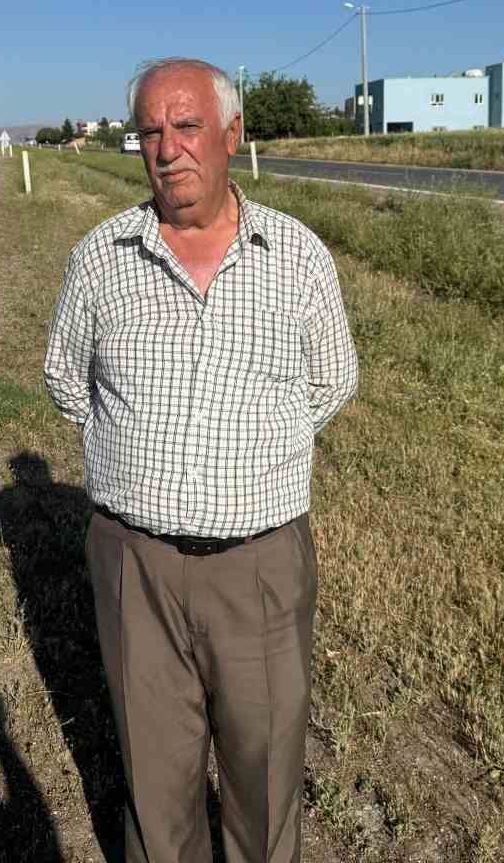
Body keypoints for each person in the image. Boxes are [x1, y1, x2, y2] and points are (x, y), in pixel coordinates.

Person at [43, 57, 359, 863]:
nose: (168, 148)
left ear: (230, 135)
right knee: (156, 786)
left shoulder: (296, 257)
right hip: (134, 565)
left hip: (259, 566)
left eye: (187, 126)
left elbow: (332, 380)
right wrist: (141, 464)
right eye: (151, 130)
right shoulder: (101, 258)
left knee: (262, 777)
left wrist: (253, 459)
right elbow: (68, 382)